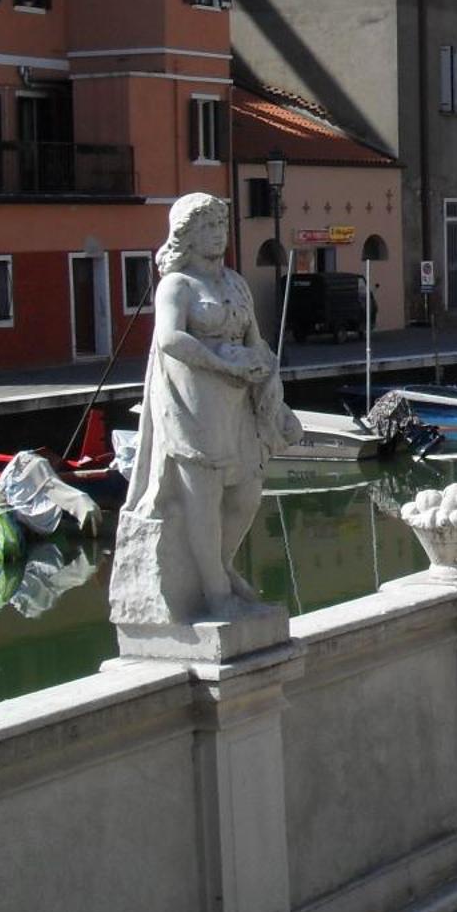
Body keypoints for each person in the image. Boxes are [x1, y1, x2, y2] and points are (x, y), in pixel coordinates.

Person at [109, 193, 302, 625]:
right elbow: (169, 339)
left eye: (221, 225)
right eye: (208, 227)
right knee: (203, 495)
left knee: (247, 492)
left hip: (239, 400)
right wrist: (222, 362)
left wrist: (269, 385)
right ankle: (215, 594)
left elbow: (254, 338)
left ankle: (221, 567)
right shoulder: (177, 285)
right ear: (187, 236)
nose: (218, 233)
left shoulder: (235, 282)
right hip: (194, 399)